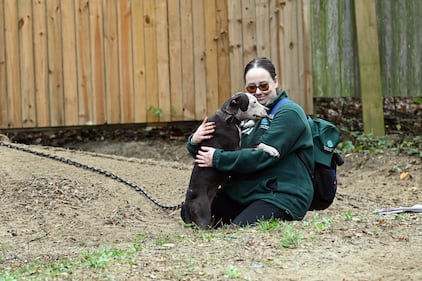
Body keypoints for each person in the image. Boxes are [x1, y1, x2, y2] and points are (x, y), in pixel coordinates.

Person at [186, 57, 314, 227]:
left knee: (238, 230)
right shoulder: (244, 115)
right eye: (252, 87)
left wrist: (217, 158)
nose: (258, 92)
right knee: (189, 212)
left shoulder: (290, 113)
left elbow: (261, 157)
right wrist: (195, 142)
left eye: (264, 86)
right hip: (247, 191)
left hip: (280, 194)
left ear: (275, 82)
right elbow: (211, 154)